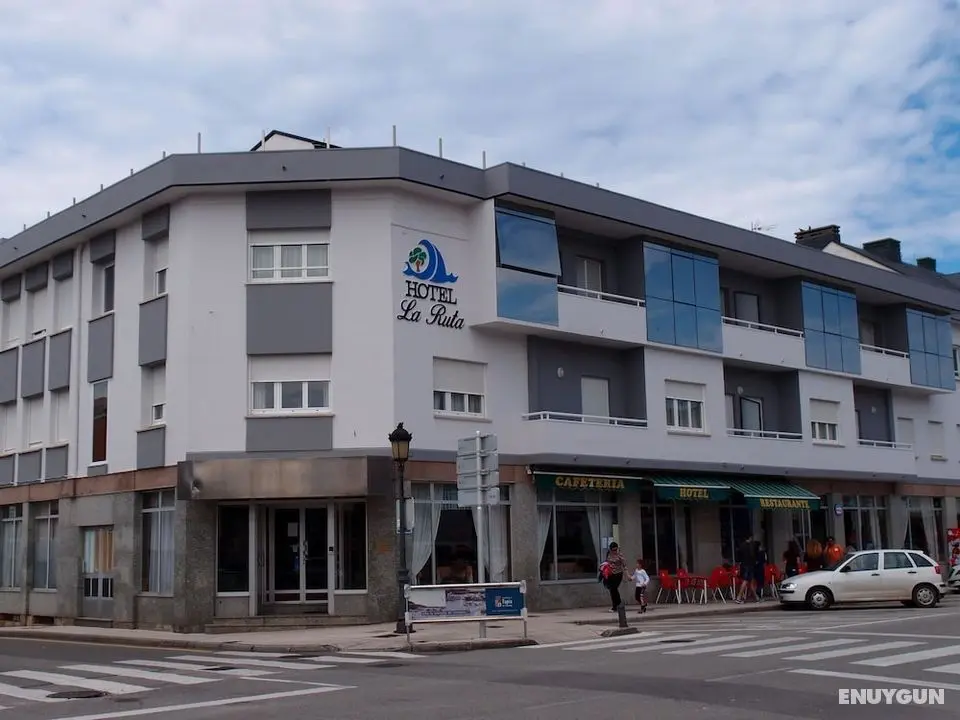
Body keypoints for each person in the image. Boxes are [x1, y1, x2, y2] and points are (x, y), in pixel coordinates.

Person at [604, 542, 625, 611]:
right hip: (611, 574)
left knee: (614, 588)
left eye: (616, 550)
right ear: (610, 549)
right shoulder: (608, 554)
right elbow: (607, 562)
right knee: (612, 590)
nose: (615, 551)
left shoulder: (619, 555)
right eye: (613, 550)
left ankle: (617, 605)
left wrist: (627, 575)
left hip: (618, 574)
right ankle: (616, 605)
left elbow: (624, 564)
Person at [736, 535, 757, 603]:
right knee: (747, 581)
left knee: (749, 581)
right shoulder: (751, 546)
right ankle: (739, 597)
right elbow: (753, 556)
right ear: (750, 538)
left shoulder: (741, 546)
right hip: (750, 565)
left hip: (743, 565)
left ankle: (756, 598)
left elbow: (738, 556)